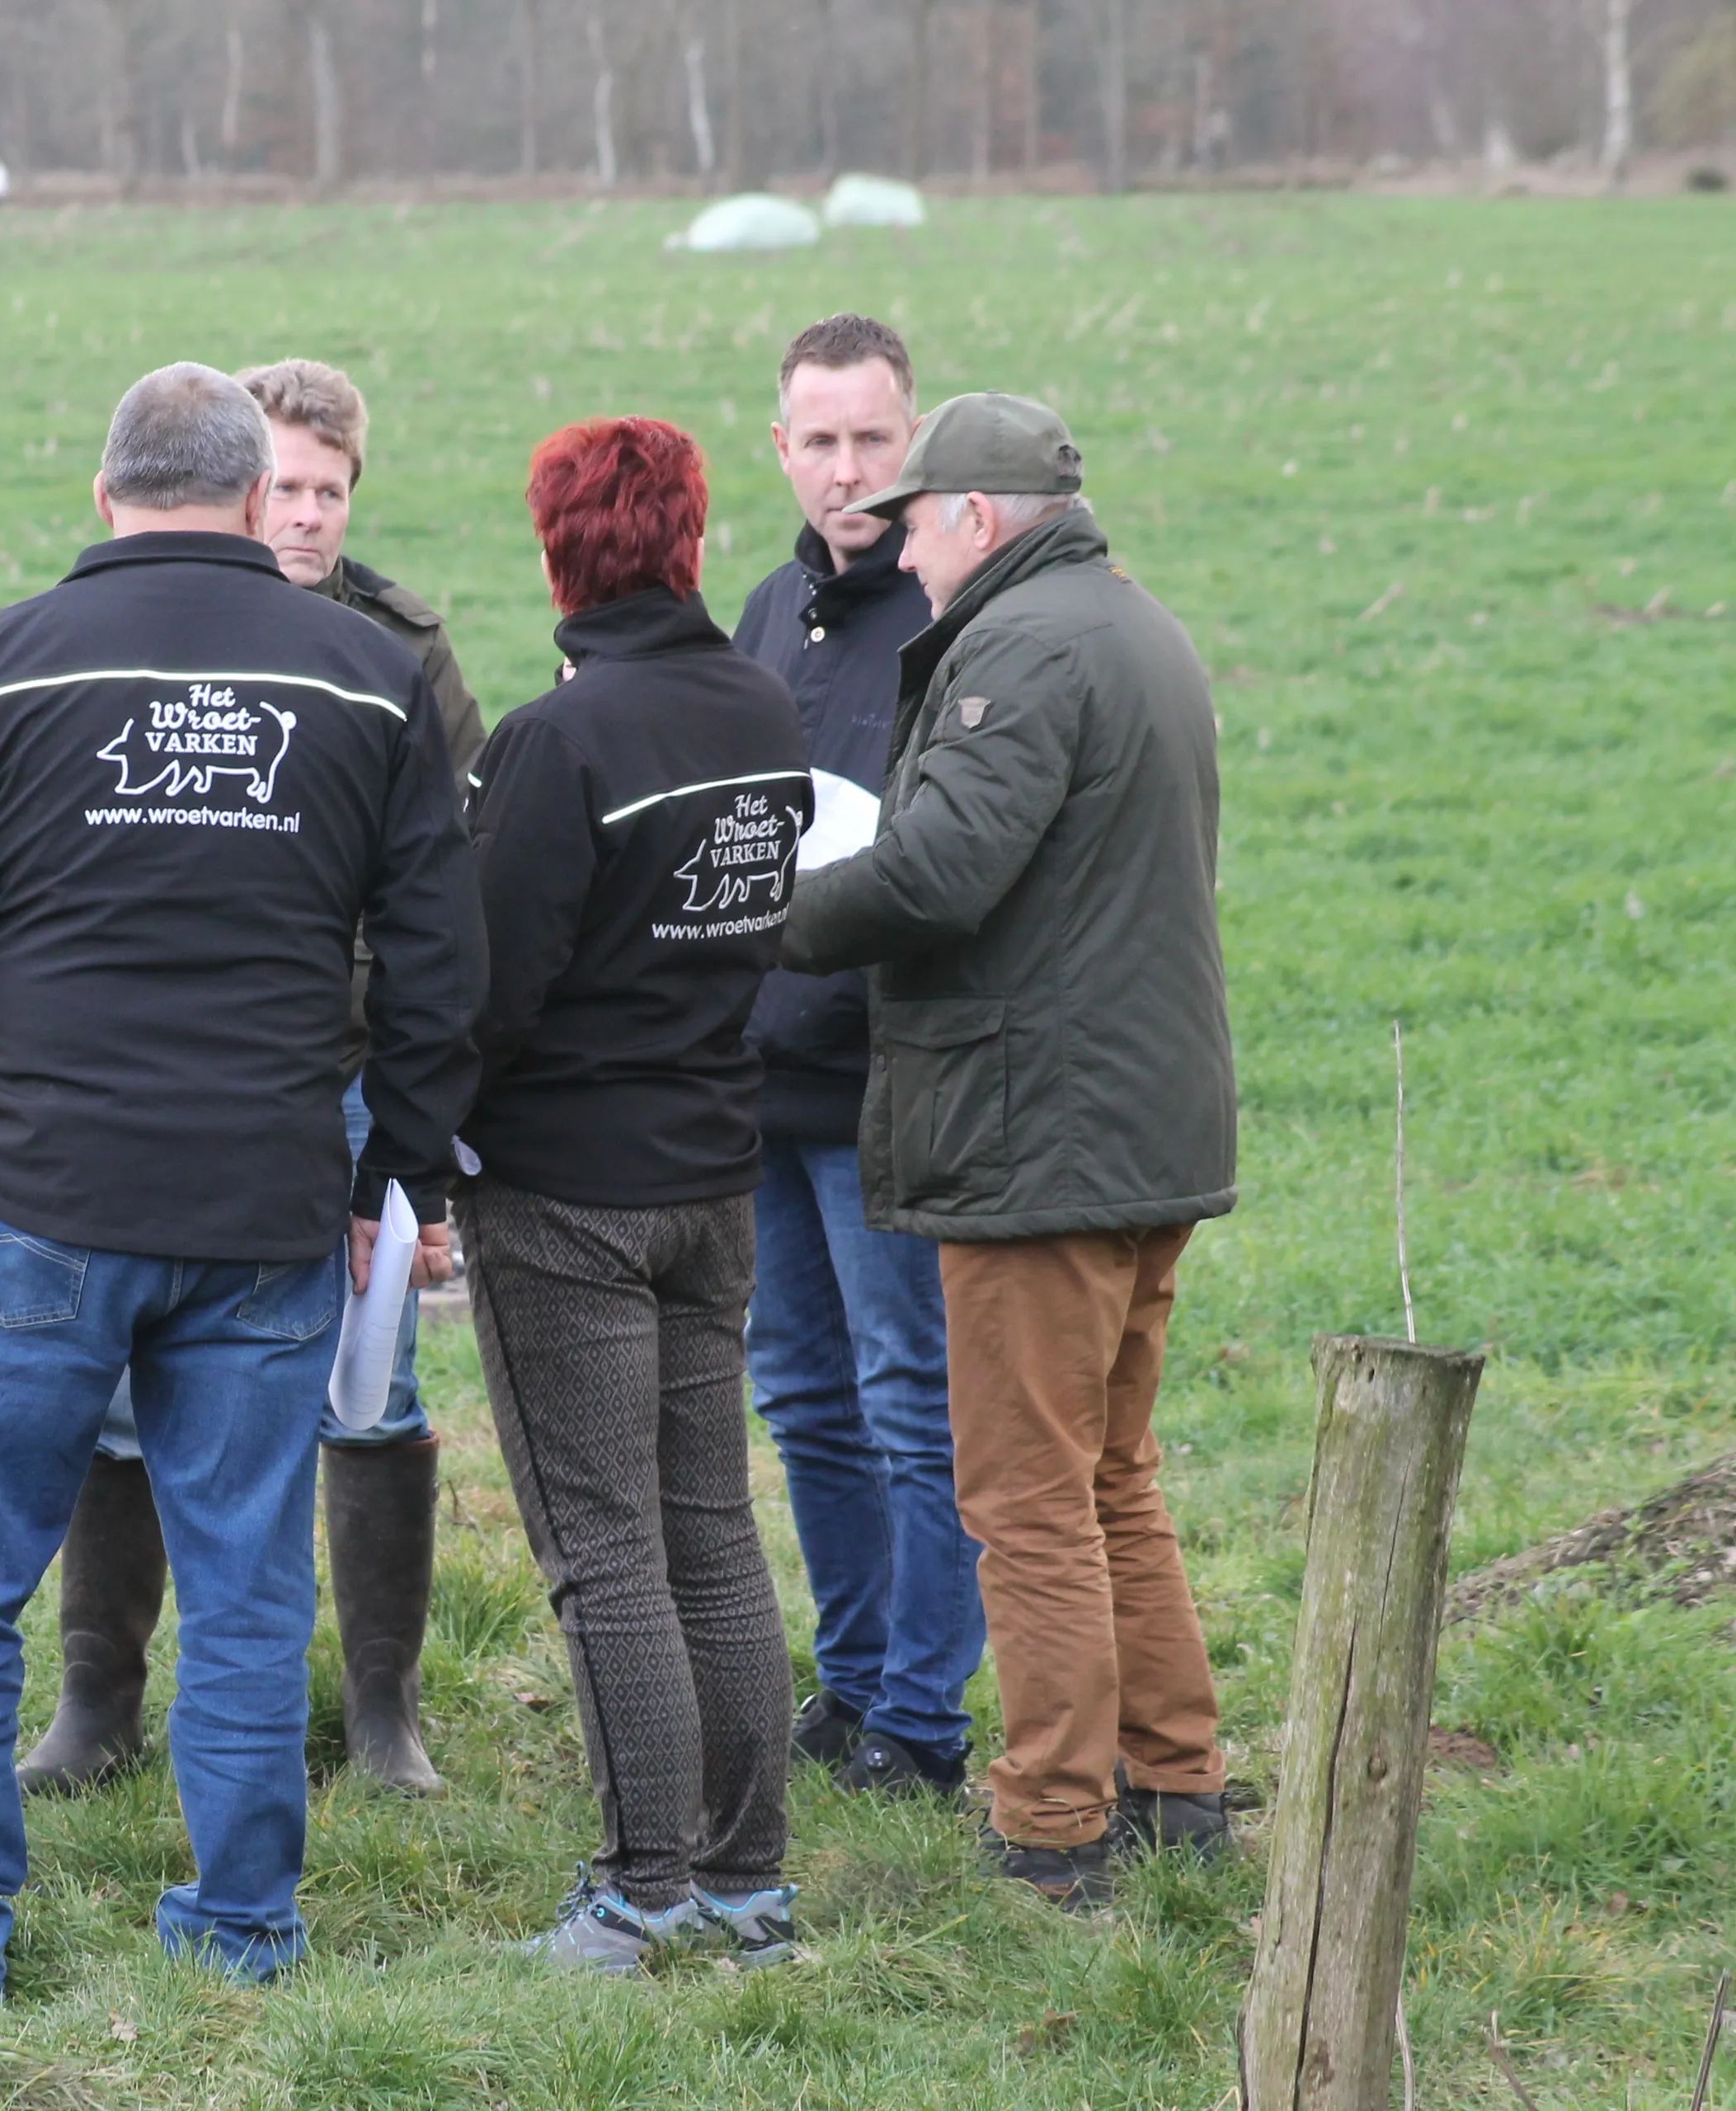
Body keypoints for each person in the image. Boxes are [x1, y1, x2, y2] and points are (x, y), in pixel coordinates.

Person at [0, 363, 483, 2001]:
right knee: (252, 1589)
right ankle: (243, 1925)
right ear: (248, 486)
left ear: (105, 491)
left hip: (36, 1187)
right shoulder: (369, 674)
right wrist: (394, 1173)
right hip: (268, 1199)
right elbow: (435, 959)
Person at [781, 393, 1237, 1907]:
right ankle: (1177, 1781)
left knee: (1027, 1496)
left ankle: (1051, 1822)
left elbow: (937, 874)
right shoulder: (1133, 624)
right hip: (1141, 1125)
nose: (898, 550)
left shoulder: (1021, 646)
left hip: (1038, 1137)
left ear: (976, 517)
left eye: (913, 520)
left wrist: (768, 916)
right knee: (1113, 1472)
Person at [16, 355, 483, 1804]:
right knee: (117, 1400)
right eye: (281, 486)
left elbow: (452, 902)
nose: (305, 516)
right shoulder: (139, 623)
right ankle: (100, 1693)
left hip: (346, 1074)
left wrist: (421, 1151)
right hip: (163, 1069)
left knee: (371, 1385)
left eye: (330, 492)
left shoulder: (402, 653)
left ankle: (382, 1706)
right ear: (234, 484)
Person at [457, 416, 810, 1976]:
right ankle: (750, 1885)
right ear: (686, 538)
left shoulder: (560, 743)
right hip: (712, 1180)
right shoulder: (757, 701)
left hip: (569, 1202)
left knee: (601, 1545)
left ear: (557, 553)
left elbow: (490, 989)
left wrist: (418, 1135)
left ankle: (640, 1888)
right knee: (712, 1533)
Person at [732, 315, 983, 1800]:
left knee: (909, 1398)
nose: (845, 470)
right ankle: (853, 1673)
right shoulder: (769, 609)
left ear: (916, 442)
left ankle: (925, 1715)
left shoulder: (951, 619)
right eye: (818, 442)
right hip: (759, 1077)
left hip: (889, 1080)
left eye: (871, 440)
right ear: (782, 449)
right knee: (806, 1398)